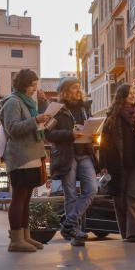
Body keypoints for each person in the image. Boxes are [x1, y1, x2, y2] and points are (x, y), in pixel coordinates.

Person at [0, 69, 53, 253]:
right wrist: (35, 120)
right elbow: (12, 128)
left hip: (31, 155)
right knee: (19, 198)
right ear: (23, 85)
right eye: (32, 85)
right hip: (20, 156)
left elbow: (31, 125)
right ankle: (16, 240)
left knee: (26, 198)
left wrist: (42, 119)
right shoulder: (13, 102)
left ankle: (25, 236)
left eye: (35, 85)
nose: (34, 89)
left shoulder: (27, 103)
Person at [45, 76, 97, 246]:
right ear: (65, 91)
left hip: (85, 152)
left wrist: (94, 134)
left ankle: (68, 224)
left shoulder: (84, 108)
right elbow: (48, 134)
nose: (78, 90)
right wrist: (70, 134)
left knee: (91, 189)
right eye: (74, 87)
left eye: (79, 87)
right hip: (67, 154)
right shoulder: (56, 109)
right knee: (71, 195)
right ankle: (76, 235)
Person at [99, 85, 135, 242]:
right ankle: (126, 233)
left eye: (133, 93)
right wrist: (103, 165)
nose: (132, 96)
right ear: (121, 96)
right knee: (120, 198)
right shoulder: (112, 118)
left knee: (133, 196)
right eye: (129, 93)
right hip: (117, 164)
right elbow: (104, 143)